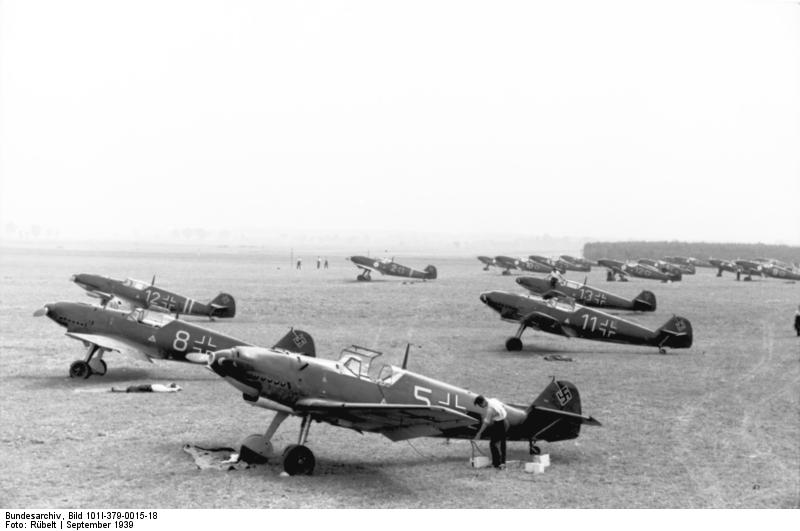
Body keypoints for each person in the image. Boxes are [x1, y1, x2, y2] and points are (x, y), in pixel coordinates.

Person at [473, 395, 508, 469]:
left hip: (500, 424)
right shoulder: (493, 400)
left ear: (483, 402)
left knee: (494, 443)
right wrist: (500, 414)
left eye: (480, 405)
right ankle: (500, 463)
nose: (481, 407)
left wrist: (479, 433)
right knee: (501, 443)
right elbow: (503, 405)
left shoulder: (490, 410)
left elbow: (486, 423)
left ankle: (498, 463)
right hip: (505, 421)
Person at [111, 382, 182, 393]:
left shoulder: (165, 389)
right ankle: (117, 389)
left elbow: (171, 390)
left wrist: (176, 388)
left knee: (132, 389)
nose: (168, 384)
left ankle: (116, 390)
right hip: (149, 387)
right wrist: (177, 388)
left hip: (149, 387)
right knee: (133, 388)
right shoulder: (164, 387)